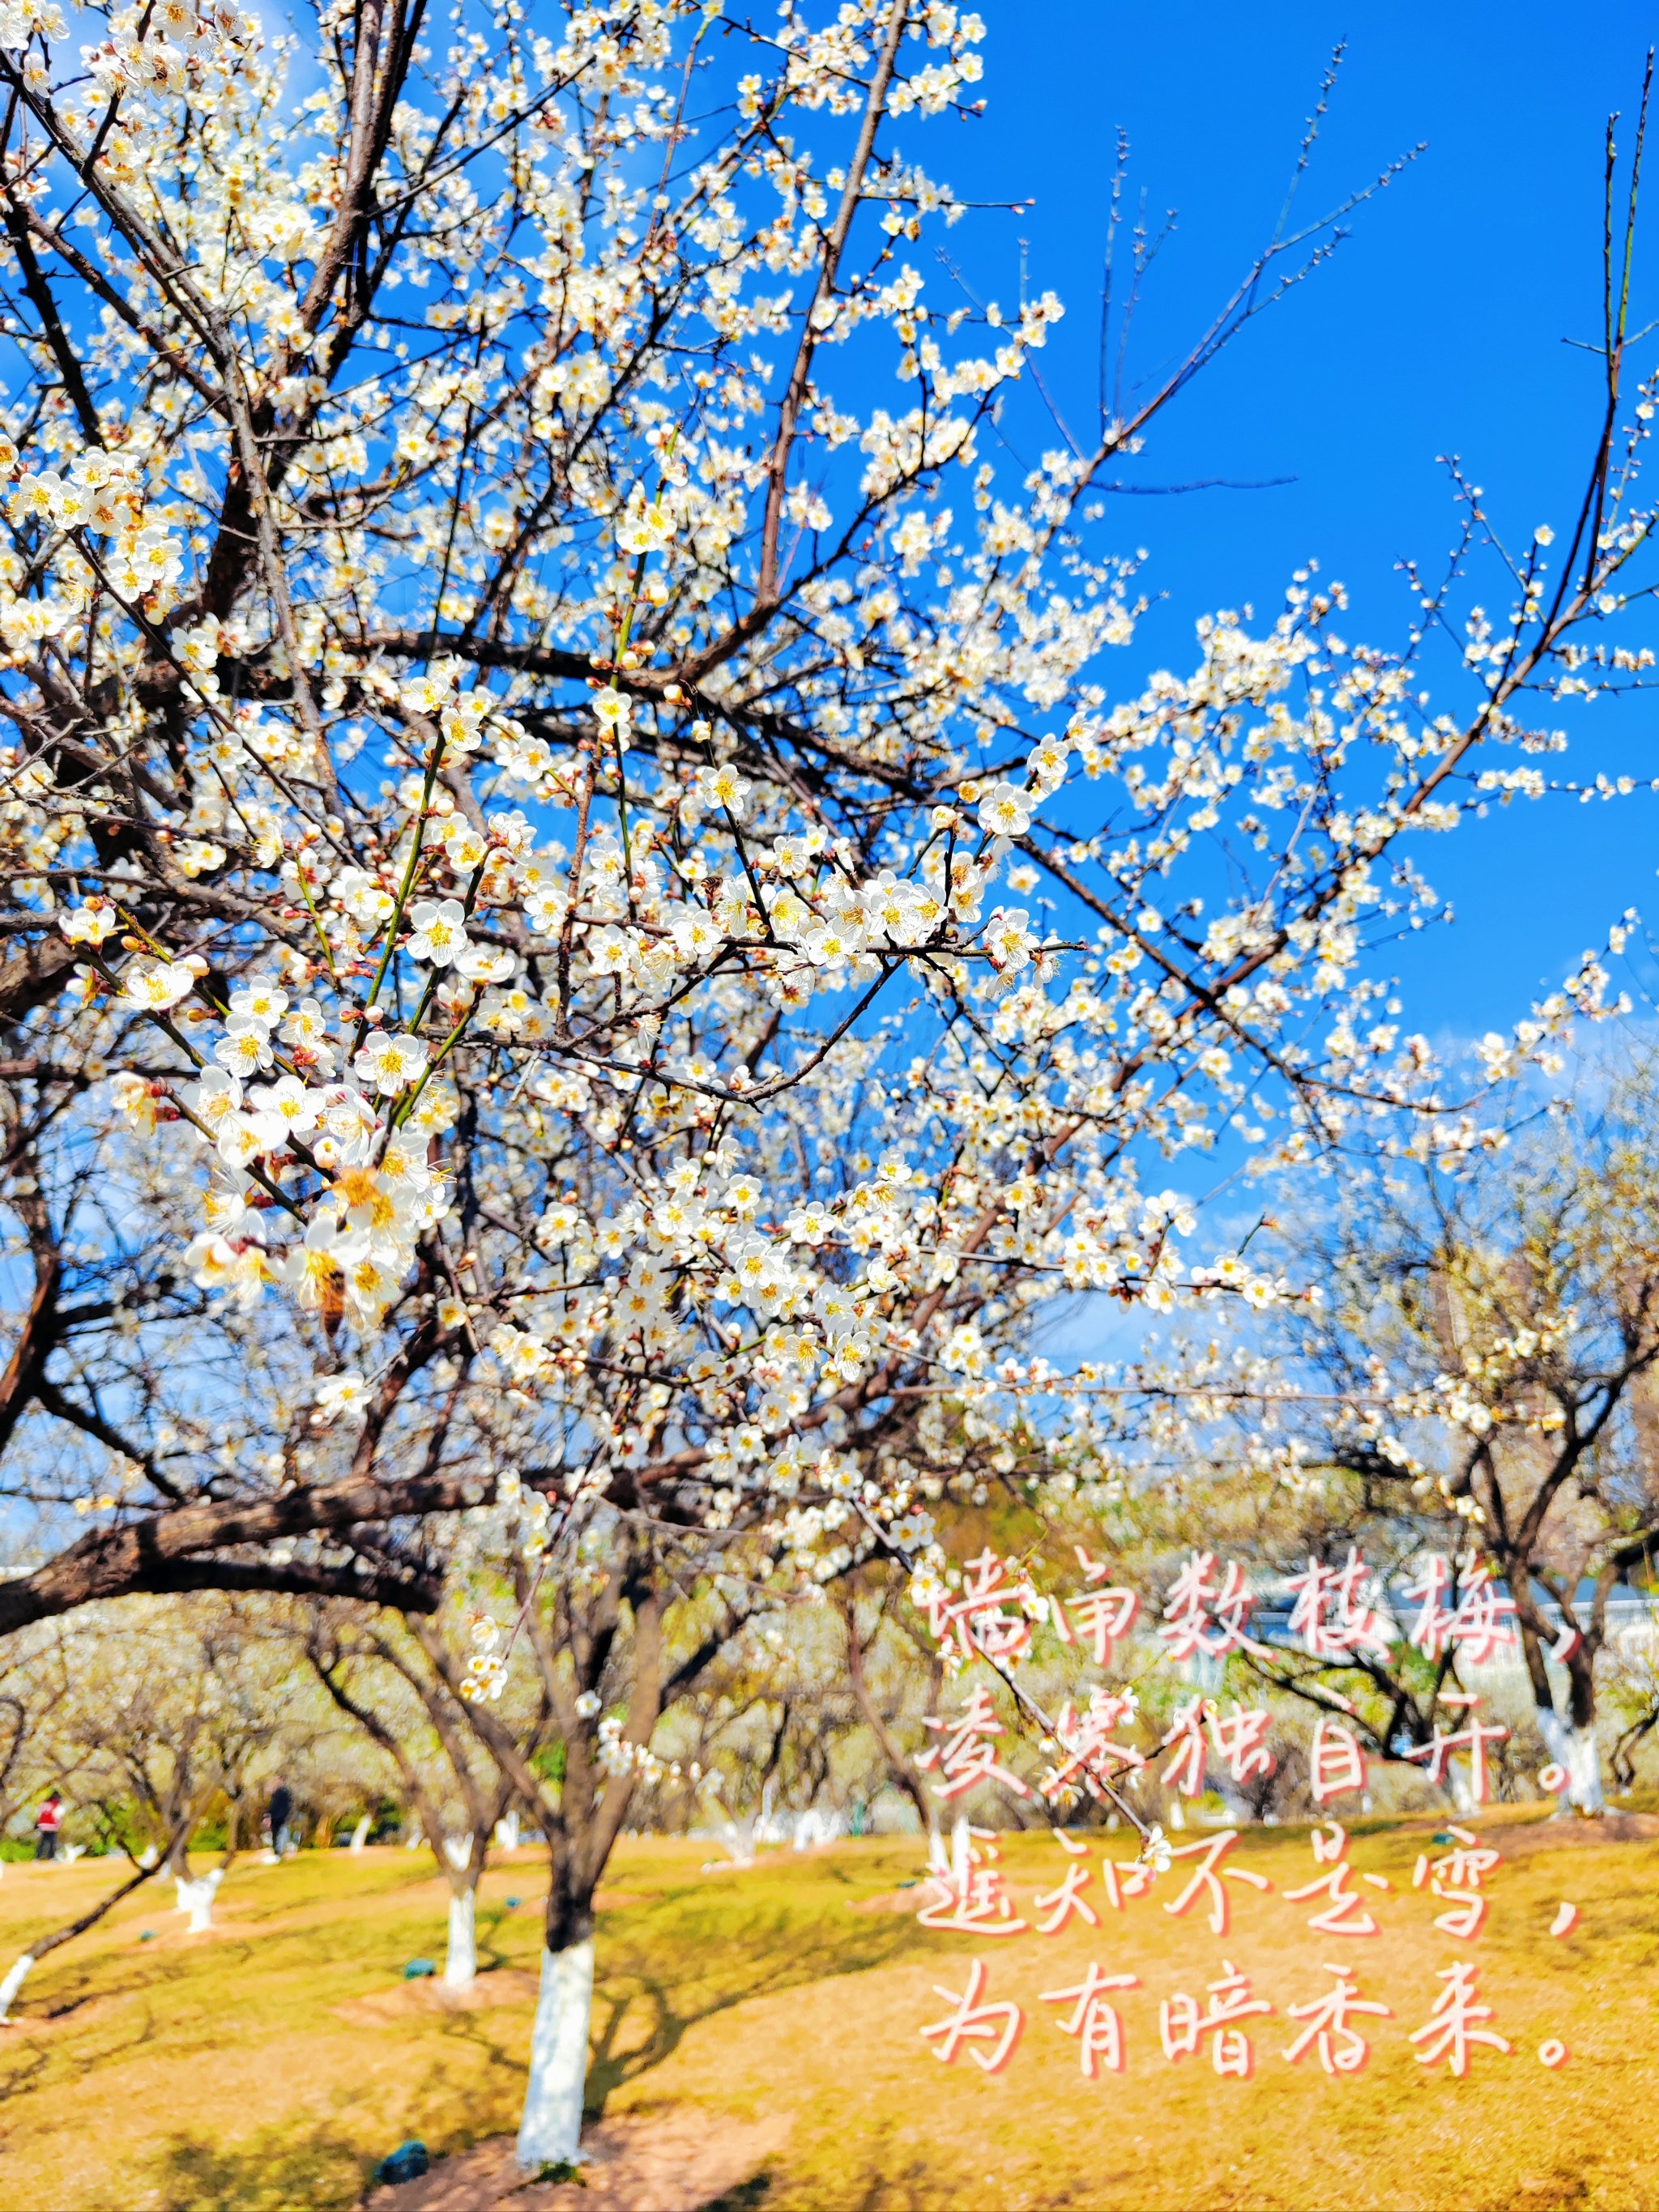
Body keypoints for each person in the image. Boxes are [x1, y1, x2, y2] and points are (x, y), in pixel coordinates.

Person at [34, 1789, 62, 1861]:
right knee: (52, 1842)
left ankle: (37, 1858)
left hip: (43, 1826)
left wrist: (37, 1823)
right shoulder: (56, 1805)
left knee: (42, 1842)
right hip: (52, 1826)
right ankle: (51, 1858)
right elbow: (58, 1816)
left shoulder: (43, 1804)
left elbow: (38, 1813)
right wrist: (59, 1824)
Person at [268, 1778, 292, 1859]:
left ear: (282, 1781)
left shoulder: (285, 1792)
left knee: (281, 1833)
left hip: (281, 1817)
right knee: (275, 1834)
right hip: (275, 1817)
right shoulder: (276, 1793)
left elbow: (287, 1805)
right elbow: (272, 1806)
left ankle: (279, 1851)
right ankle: (277, 1852)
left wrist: (284, 1814)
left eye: (278, 1780)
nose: (277, 1782)